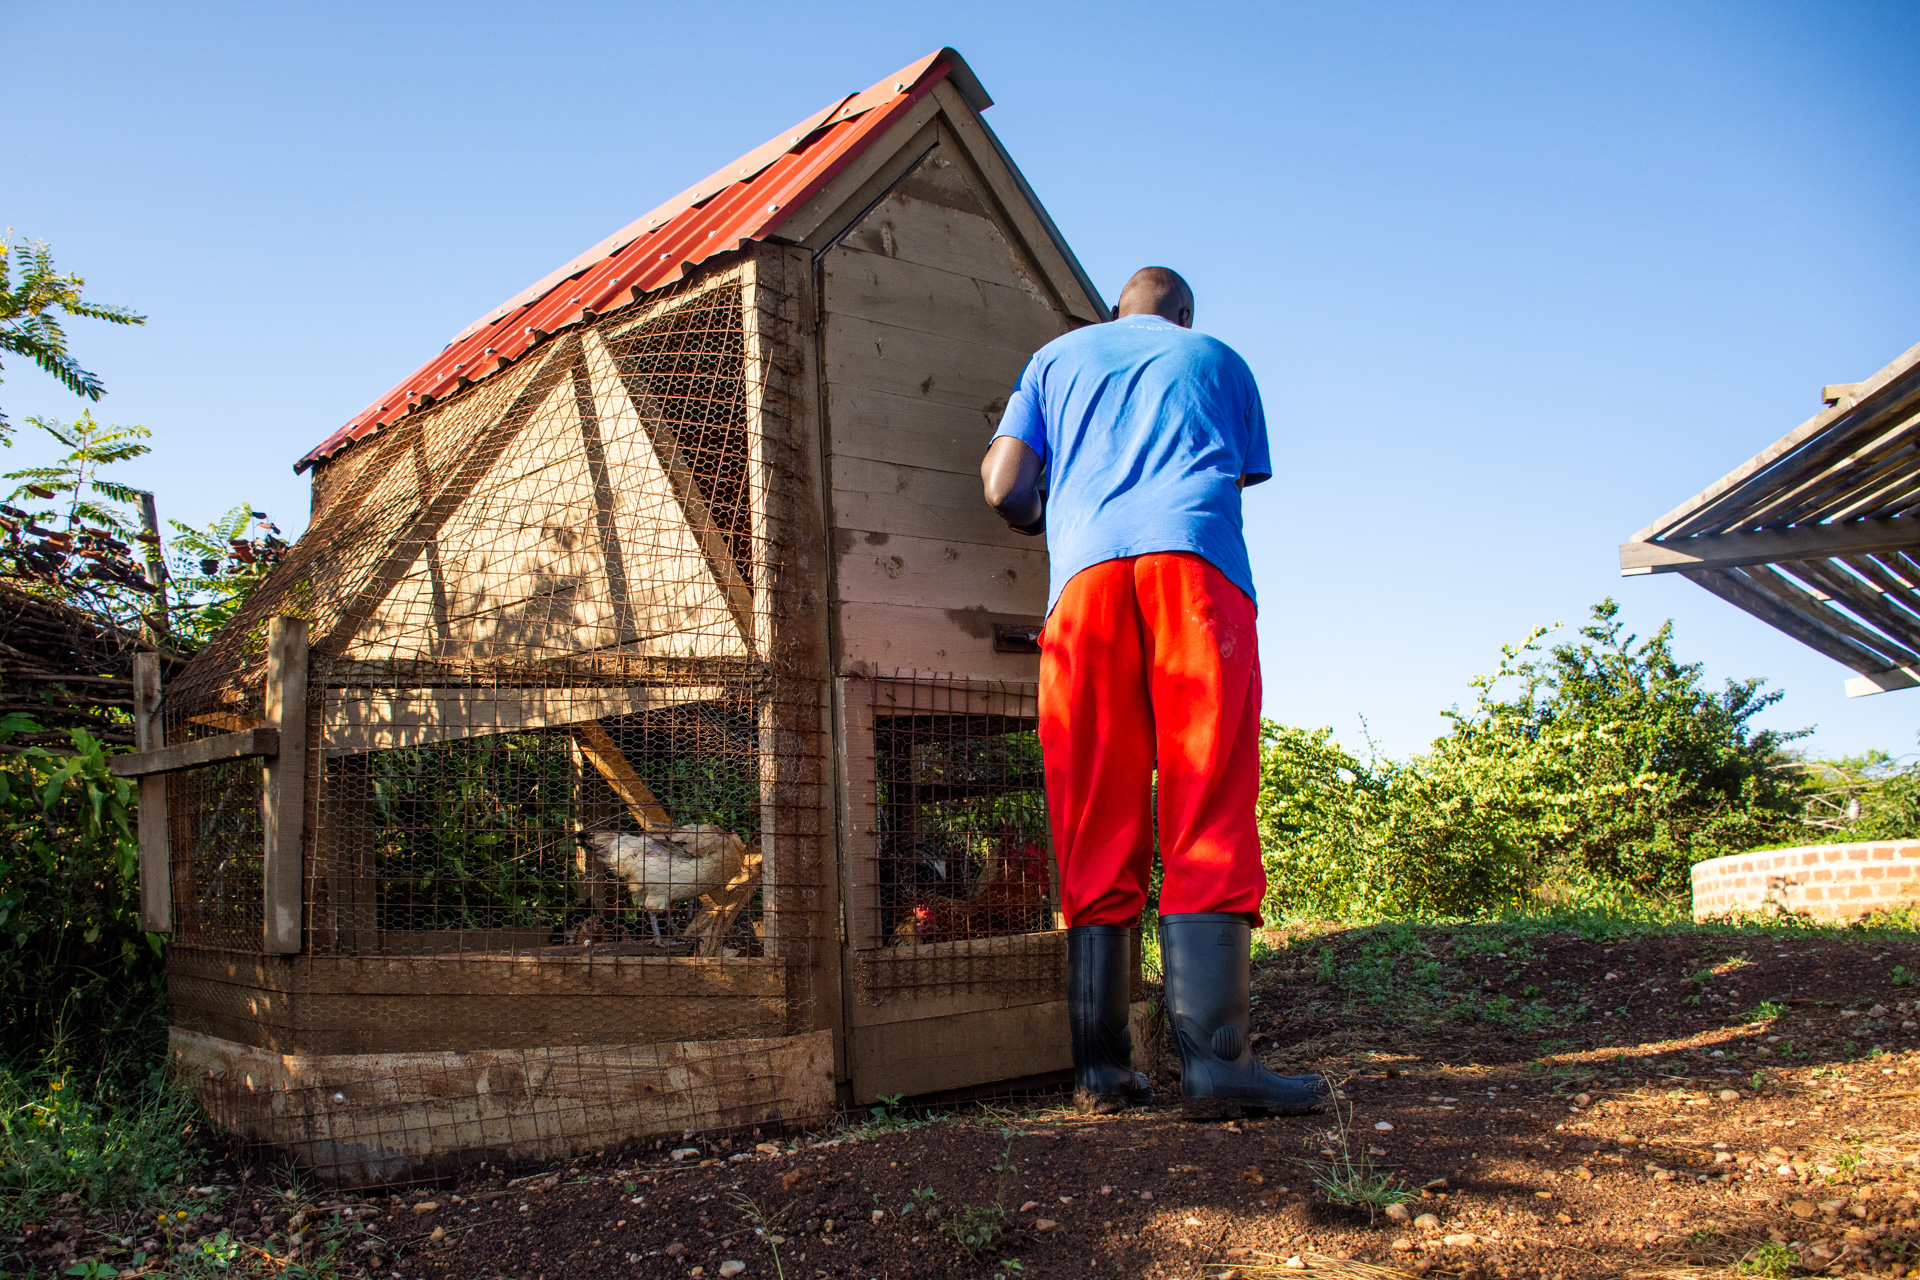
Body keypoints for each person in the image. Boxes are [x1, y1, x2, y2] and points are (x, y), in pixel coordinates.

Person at [980, 267, 1328, 1117]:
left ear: (1115, 313)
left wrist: (1049, 515)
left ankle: (1101, 1072)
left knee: (1095, 800)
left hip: (1086, 586)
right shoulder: (1218, 359)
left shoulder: (1054, 360)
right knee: (1205, 786)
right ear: (1183, 315)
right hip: (1195, 573)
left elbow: (1003, 488)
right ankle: (1218, 1068)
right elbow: (1232, 480)